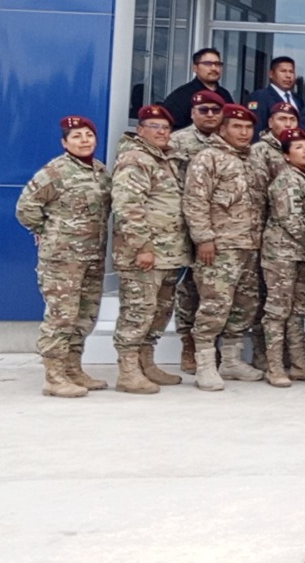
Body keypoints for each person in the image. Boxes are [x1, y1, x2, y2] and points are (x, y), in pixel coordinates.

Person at [15, 115, 112, 397]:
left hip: (93, 256)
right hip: (62, 260)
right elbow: (26, 208)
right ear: (64, 142)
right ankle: (54, 376)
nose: (84, 140)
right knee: (62, 316)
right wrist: (48, 230)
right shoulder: (54, 172)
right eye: (76, 136)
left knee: (85, 315)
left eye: (88, 135)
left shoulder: (100, 171)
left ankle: (73, 369)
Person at [182, 104, 267, 391]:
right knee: (214, 305)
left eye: (247, 128)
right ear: (222, 129)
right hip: (220, 247)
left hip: (249, 246)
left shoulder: (253, 159)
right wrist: (203, 238)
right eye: (236, 127)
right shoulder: (208, 158)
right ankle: (205, 365)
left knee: (245, 306)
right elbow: (195, 200)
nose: (243, 133)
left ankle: (230, 361)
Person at [107, 105, 188, 394]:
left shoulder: (167, 159)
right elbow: (128, 206)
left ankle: (146, 362)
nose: (161, 131)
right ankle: (128, 371)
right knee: (138, 311)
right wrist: (142, 246)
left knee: (160, 310)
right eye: (154, 126)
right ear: (140, 130)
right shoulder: (135, 159)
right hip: (145, 254)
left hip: (169, 253)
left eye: (166, 127)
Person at [257, 128, 305, 387]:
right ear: (286, 155)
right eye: (298, 147)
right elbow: (291, 221)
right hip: (282, 253)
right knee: (278, 311)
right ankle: (274, 367)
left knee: (298, 310)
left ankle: (299, 364)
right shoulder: (286, 181)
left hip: (303, 254)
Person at [168, 88, 225, 373]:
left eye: (216, 110)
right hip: (185, 226)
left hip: (223, 230)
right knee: (188, 289)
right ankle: (189, 345)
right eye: (204, 110)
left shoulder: (229, 142)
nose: (211, 115)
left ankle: (214, 347)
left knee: (215, 291)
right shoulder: (177, 142)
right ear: (192, 113)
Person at [162, 47, 233, 129]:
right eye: (208, 64)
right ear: (195, 68)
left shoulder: (225, 95)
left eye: (217, 64)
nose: (214, 68)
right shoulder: (180, 97)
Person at [247, 56, 299, 133]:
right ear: (271, 74)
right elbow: (256, 129)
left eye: (291, 72)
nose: (288, 76)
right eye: (283, 71)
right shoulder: (260, 96)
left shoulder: (298, 100)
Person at [251, 102, 300, 182]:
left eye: (292, 119)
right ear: (270, 123)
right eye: (282, 119)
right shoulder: (259, 149)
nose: (288, 124)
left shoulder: (303, 147)